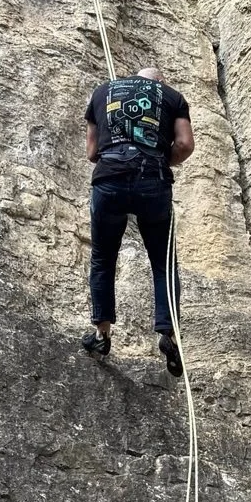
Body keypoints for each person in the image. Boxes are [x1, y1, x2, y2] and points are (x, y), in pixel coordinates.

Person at [82, 65, 194, 376]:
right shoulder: (172, 96)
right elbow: (184, 144)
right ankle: (168, 335)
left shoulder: (102, 92)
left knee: (103, 259)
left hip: (109, 181)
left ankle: (101, 335)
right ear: (160, 82)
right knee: (163, 263)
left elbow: (92, 152)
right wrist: (159, 160)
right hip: (153, 182)